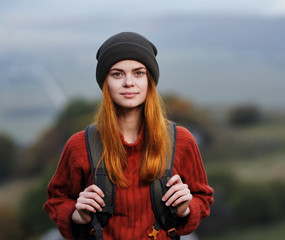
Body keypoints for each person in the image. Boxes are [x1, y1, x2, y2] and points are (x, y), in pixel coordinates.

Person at [43, 32, 214, 239]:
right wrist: (77, 214)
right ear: (105, 82)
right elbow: (56, 200)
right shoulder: (79, 145)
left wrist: (186, 208)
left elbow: (203, 198)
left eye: (139, 73)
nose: (128, 82)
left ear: (150, 80)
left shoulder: (181, 141)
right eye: (117, 74)